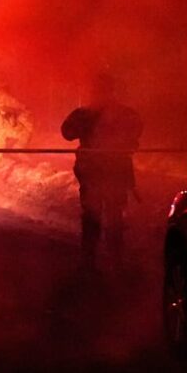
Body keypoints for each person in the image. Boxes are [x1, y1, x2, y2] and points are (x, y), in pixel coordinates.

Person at [60, 74, 143, 271]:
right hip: (97, 173)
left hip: (106, 172)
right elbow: (67, 132)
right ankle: (104, 261)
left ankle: (99, 261)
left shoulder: (94, 114)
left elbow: (67, 132)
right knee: (101, 216)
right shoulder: (93, 114)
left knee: (101, 216)